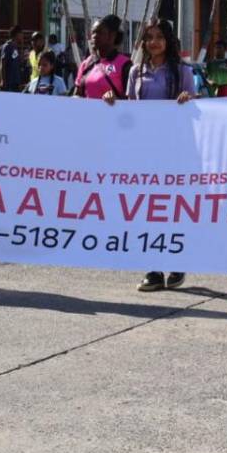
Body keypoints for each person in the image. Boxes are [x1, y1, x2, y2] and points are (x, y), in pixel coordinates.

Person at [104, 19, 193, 293]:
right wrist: (112, 101)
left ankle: (177, 261)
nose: (154, 42)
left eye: (159, 37)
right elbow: (131, 111)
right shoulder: (136, 72)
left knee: (173, 206)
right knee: (147, 206)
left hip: (175, 148)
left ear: (168, 41)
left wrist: (188, 99)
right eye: (149, 37)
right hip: (145, 150)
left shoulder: (182, 71)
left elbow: (197, 104)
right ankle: (153, 269)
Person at [73, 15, 131, 101]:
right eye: (93, 32)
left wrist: (116, 100)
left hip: (114, 113)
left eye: (99, 32)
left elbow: (132, 100)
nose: (94, 36)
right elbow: (77, 94)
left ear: (112, 36)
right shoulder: (86, 64)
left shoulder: (125, 64)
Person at [0, 26, 26, 92]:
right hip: (9, 83)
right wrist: (3, 80)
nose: (22, 36)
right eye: (21, 33)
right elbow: (2, 63)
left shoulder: (15, 47)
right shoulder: (7, 46)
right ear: (17, 34)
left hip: (16, 82)